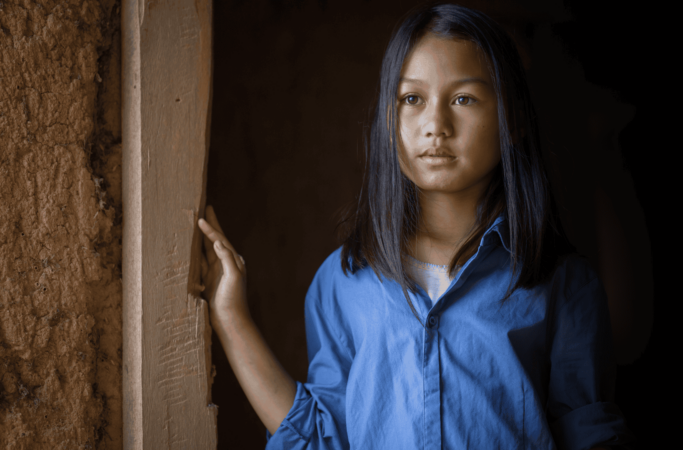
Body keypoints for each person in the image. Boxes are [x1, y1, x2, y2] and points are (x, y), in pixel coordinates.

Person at [198, 3, 635, 449]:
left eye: (464, 99)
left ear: (515, 119)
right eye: (412, 99)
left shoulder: (563, 284)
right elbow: (320, 437)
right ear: (389, 120)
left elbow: (589, 434)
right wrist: (231, 318)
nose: (435, 126)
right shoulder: (341, 282)